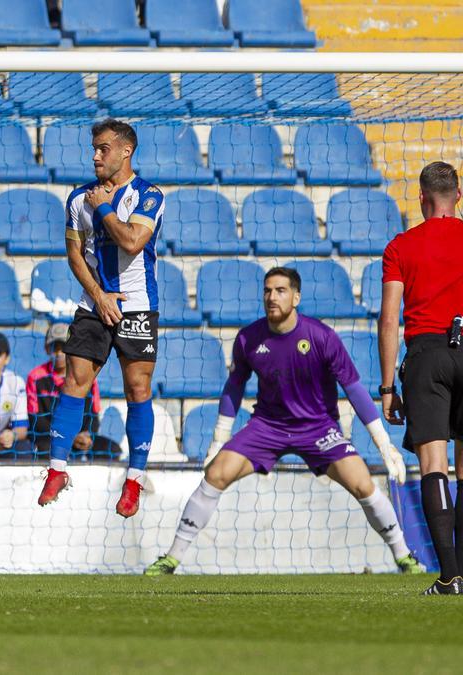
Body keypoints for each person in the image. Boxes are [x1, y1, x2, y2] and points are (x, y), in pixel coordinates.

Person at [145, 267, 416, 577]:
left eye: (280, 290)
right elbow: (234, 387)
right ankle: (171, 559)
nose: (272, 297)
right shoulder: (248, 338)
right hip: (267, 427)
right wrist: (218, 442)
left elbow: (354, 389)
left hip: (319, 428)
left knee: (362, 483)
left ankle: (404, 557)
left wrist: (384, 445)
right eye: (267, 291)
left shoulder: (322, 337)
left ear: (296, 297)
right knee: (216, 474)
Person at [37, 119, 164, 519]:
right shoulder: (77, 198)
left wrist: (103, 206)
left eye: (103, 148)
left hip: (138, 303)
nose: (95, 155)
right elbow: (74, 255)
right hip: (94, 304)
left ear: (126, 151)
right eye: (94, 148)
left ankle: (134, 479)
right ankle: (57, 469)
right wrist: (98, 295)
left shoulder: (149, 195)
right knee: (74, 379)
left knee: (137, 389)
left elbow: (131, 240)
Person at [379, 161, 463, 595]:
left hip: (427, 353)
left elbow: (389, 318)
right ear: (458, 197)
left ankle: (450, 576)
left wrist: (388, 387)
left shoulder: (401, 246)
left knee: (434, 465)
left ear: (422, 198)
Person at [26, 323, 102, 456]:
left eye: (65, 347)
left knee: (111, 449)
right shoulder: (35, 377)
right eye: (55, 348)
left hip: (80, 438)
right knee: (45, 449)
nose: (60, 353)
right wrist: (69, 438)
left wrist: (87, 435)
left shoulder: (88, 377)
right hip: (48, 438)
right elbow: (35, 421)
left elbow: (93, 417)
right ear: (47, 349)